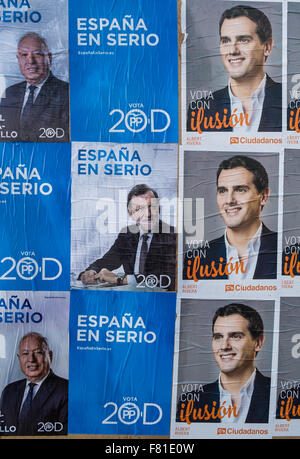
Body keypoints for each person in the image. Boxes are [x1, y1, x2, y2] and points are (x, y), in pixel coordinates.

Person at [187, 5, 282, 133]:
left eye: (243, 40)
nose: (232, 50)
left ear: (267, 47)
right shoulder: (200, 111)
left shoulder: (289, 103)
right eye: (226, 41)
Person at [183, 155, 277, 280]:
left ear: (263, 196)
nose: (229, 200)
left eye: (240, 190)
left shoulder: (286, 252)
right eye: (223, 191)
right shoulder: (196, 259)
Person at [177, 303, 271, 424]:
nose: (224, 346)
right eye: (218, 337)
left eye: (235, 336)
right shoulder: (190, 403)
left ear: (258, 342)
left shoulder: (277, 396)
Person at [79, 183, 177, 291]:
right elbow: (108, 260)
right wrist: (91, 272)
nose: (148, 214)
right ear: (131, 213)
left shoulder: (173, 236)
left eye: (152, 206)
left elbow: (168, 279)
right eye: (140, 208)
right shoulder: (127, 234)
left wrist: (119, 279)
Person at [0, 32, 69, 142]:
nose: (30, 61)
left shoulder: (66, 93)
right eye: (24, 55)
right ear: (18, 59)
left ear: (49, 58)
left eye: (37, 54)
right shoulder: (9, 93)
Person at [0, 332, 68, 436]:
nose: (31, 359)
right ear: (19, 358)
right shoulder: (9, 391)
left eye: (38, 352)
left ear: (50, 356)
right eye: (25, 353)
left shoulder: (66, 389)